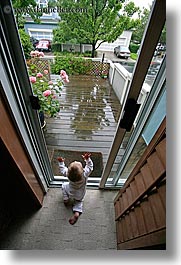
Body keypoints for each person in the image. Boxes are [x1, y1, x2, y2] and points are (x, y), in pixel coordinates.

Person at [57, 153, 93, 225]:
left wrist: (61, 162)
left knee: (64, 186)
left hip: (70, 190)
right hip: (80, 193)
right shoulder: (84, 174)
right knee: (79, 201)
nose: (76, 161)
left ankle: (66, 198)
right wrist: (87, 159)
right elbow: (90, 167)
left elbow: (62, 169)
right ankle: (77, 212)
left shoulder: (67, 173)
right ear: (83, 170)